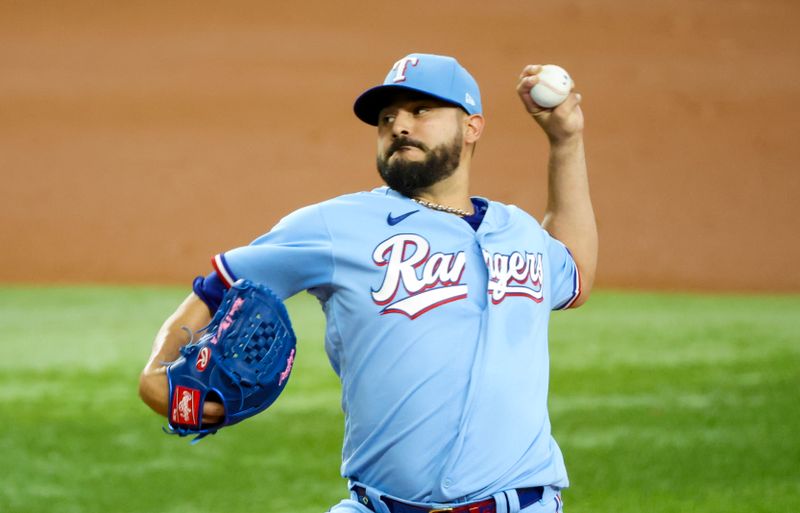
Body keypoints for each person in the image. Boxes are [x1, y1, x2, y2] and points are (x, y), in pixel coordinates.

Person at [139, 53, 597, 513]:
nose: (399, 126)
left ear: (472, 127)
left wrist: (566, 142)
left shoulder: (517, 231)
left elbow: (575, 274)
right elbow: (217, 287)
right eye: (387, 118)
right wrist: (160, 381)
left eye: (420, 111)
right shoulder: (337, 224)